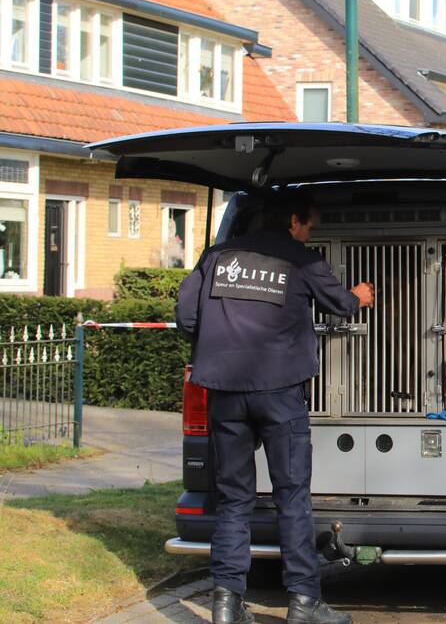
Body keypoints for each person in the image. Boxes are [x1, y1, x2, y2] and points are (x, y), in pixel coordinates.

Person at [176, 191, 374, 624]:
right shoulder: (300, 260)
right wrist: (359, 296)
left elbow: (186, 317)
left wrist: (221, 344)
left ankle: (226, 605)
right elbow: (339, 304)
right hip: (280, 393)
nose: (310, 232)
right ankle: (304, 603)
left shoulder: (216, 257)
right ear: (292, 222)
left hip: (224, 393)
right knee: (292, 497)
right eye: (309, 225)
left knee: (233, 500)